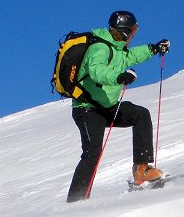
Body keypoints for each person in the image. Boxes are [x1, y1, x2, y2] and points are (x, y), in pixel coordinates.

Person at [66, 11, 170, 202]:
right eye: (132, 31)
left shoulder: (117, 49)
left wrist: (153, 49)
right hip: (87, 109)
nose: (133, 35)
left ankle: (141, 170)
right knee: (92, 152)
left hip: (107, 107)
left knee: (140, 114)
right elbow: (97, 71)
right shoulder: (100, 47)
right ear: (125, 31)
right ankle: (76, 200)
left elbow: (132, 56)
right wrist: (118, 77)